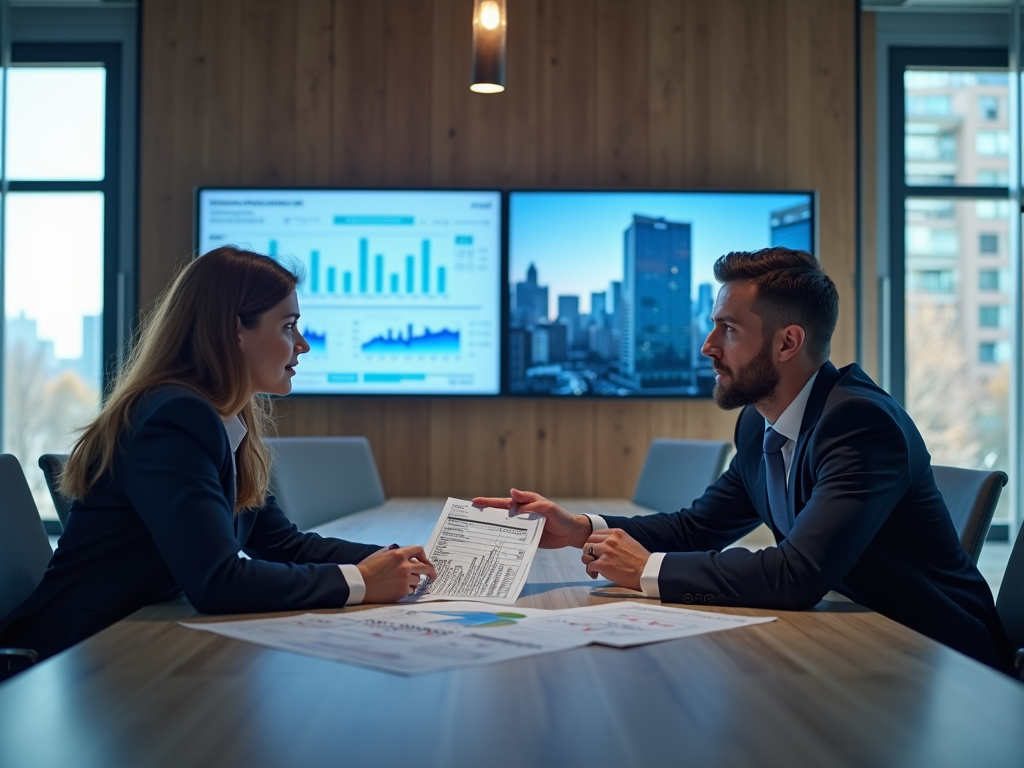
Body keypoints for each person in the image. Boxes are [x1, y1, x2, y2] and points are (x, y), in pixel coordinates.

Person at [476, 247, 1011, 672]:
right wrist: (579, 528)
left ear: (787, 343)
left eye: (728, 329)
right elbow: (698, 527)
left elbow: (797, 575)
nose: (708, 346)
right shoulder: (759, 423)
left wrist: (646, 570)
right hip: (855, 641)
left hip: (942, 660)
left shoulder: (861, 425)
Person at [0, 247, 435, 659]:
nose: (302, 344)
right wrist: (359, 581)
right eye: (288, 326)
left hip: (139, 637)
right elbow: (218, 582)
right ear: (235, 330)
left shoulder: (220, 420)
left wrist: (396, 560)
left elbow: (282, 544)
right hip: (73, 658)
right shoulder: (173, 417)